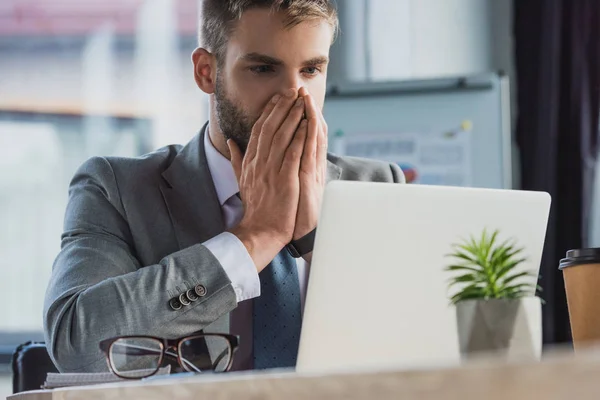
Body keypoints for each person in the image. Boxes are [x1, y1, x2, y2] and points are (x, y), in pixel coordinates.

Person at [43, 0, 405, 373]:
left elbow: (425, 340)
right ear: (206, 72)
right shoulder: (118, 189)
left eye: (311, 69)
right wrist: (256, 237)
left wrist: (316, 242)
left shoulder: (377, 186)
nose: (295, 95)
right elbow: (79, 344)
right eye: (264, 68)